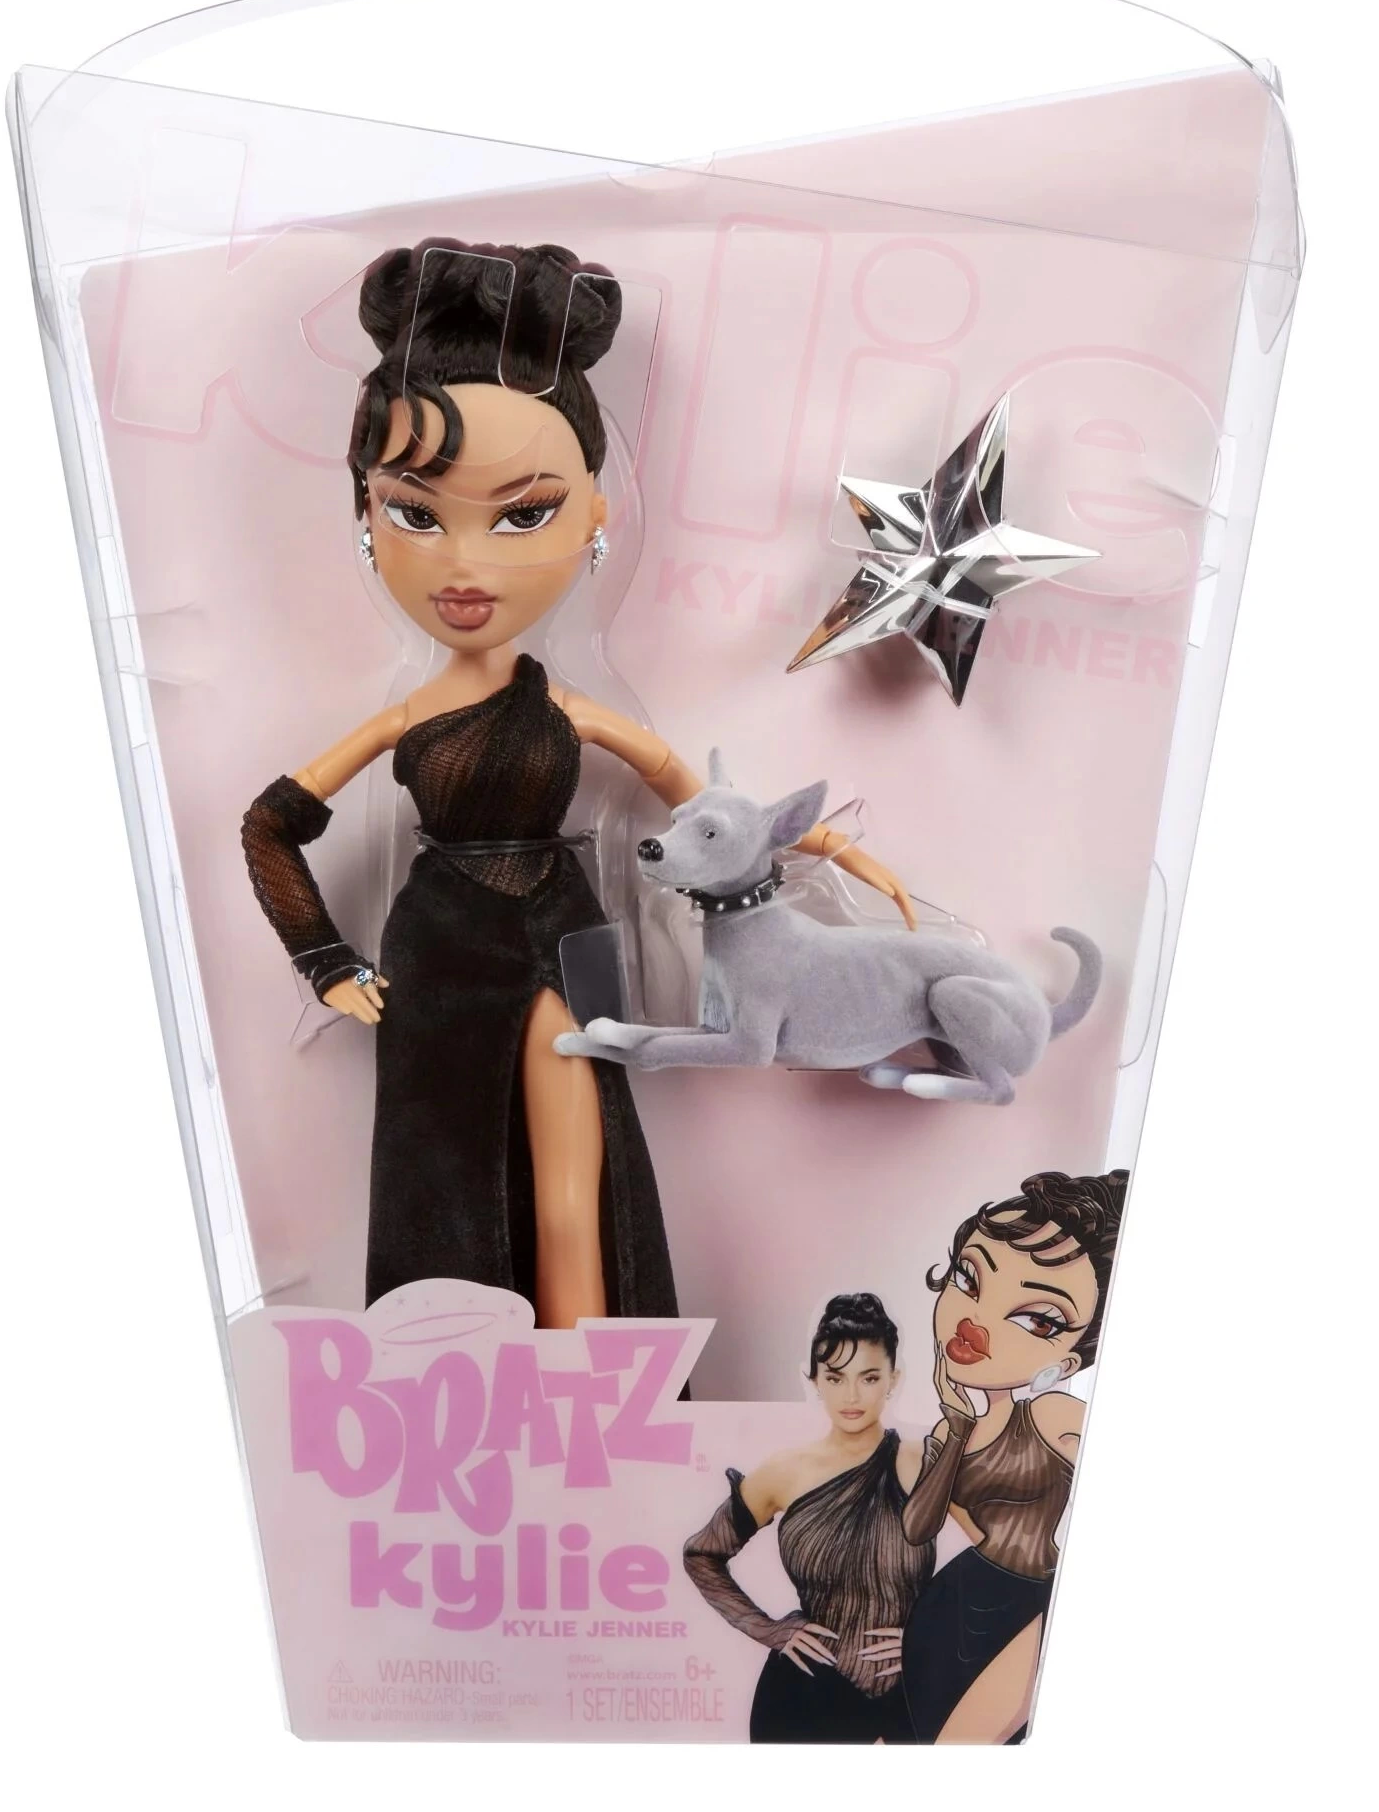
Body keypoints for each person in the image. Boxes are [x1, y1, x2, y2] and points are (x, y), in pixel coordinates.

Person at [240, 239, 916, 1326]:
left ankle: (596, 1382)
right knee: (448, 1176)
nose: (468, 564)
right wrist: (325, 961)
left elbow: (704, 810)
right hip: (439, 947)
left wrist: (819, 845)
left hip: (567, 929)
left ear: (595, 515)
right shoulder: (406, 718)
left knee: (578, 1181)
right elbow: (268, 827)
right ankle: (473, 1375)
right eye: (417, 512)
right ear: (365, 513)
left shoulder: (573, 713)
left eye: (523, 513)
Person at [900, 1169, 1129, 1743]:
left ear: (1068, 1361)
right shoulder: (951, 1425)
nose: (976, 1322)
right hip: (948, 1607)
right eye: (969, 1278)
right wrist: (957, 1428)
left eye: (1037, 1319)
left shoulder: (1055, 1416)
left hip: (1030, 1611)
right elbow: (917, 1528)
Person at [683, 1293, 934, 1742]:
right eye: (835, 1377)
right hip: (803, 1700)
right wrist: (768, 1629)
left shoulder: (927, 1464)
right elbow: (701, 1554)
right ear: (814, 1380)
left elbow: (1005, 1563)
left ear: (893, 1379)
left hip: (910, 1699)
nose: (851, 1396)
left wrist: (933, 1640)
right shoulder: (785, 1472)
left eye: (869, 1377)